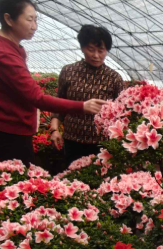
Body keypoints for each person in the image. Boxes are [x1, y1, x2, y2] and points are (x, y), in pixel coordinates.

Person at [0, 0, 107, 166]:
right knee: (22, 181)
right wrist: (83, 106)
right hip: (8, 129)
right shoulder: (2, 52)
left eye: (36, 19)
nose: (34, 26)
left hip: (3, 124)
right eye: (29, 20)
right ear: (9, 19)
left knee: (19, 177)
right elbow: (37, 98)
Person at [50, 25, 123, 165]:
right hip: (72, 140)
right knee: (72, 179)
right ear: (82, 48)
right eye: (91, 50)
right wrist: (54, 130)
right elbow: (59, 104)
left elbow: (121, 113)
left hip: (101, 143)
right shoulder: (69, 71)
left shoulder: (114, 78)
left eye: (101, 51)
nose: (96, 55)